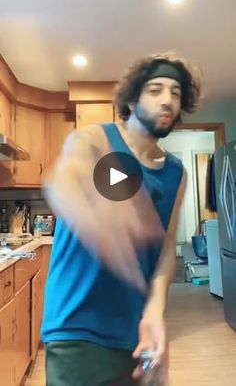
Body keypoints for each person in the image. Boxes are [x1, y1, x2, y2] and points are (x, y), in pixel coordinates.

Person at [41, 52, 202, 386]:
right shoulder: (95, 140)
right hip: (78, 327)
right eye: (156, 89)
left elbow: (165, 251)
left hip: (136, 334)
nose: (167, 100)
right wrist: (103, 224)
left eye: (175, 92)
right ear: (132, 98)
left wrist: (155, 312)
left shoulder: (176, 173)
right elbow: (63, 184)